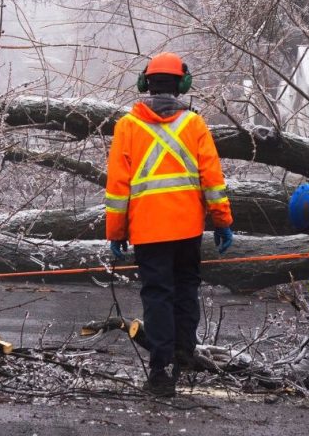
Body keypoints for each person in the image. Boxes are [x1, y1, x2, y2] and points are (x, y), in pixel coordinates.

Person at [104, 51, 234, 397]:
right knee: (186, 289)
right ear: (183, 84)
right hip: (188, 229)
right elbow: (212, 179)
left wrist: (116, 232)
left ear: (145, 83)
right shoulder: (194, 124)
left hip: (148, 231)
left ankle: (159, 370)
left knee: (157, 295)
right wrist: (222, 221)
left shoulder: (127, 127)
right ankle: (183, 354)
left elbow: (118, 187)